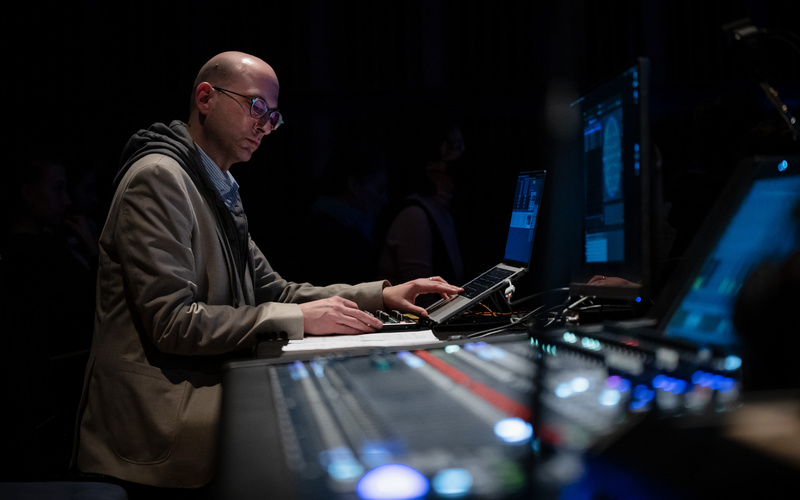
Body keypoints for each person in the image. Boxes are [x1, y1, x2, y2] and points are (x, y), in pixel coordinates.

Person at [72, 51, 462, 493]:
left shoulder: (215, 184)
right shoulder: (159, 178)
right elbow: (171, 322)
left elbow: (275, 290)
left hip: (197, 390)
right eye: (257, 107)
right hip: (157, 425)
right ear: (205, 97)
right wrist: (299, 319)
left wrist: (380, 296)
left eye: (273, 116)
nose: (265, 126)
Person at [378, 118, 466, 305]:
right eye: (455, 146)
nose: (463, 154)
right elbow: (423, 298)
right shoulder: (414, 216)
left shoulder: (442, 211)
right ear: (430, 159)